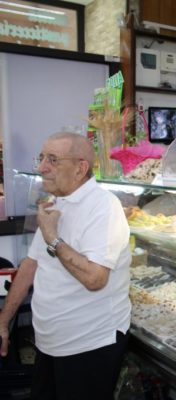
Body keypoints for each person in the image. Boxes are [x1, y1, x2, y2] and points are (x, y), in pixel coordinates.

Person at [0, 132, 131, 399]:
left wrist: (53, 238)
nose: (41, 168)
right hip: (50, 340)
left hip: (89, 344)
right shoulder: (57, 201)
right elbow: (30, 266)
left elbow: (95, 279)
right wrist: (3, 321)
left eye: (53, 159)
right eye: (41, 158)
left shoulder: (104, 207)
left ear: (80, 168)